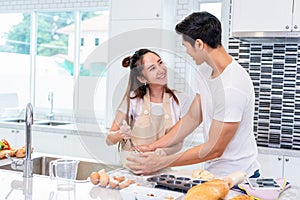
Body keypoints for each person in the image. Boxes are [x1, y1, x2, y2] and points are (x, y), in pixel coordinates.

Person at [127, 12, 260, 178]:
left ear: (199, 44)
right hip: (213, 175)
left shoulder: (232, 87)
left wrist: (163, 161)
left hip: (239, 179)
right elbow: (192, 117)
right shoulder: (205, 70)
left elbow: (215, 148)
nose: (186, 52)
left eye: (185, 46)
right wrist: (153, 146)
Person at [106, 48, 191, 159]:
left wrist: (161, 153)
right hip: (133, 168)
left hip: (162, 170)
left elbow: (178, 142)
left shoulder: (180, 100)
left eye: (160, 63)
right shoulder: (133, 100)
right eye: (152, 68)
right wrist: (120, 133)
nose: (161, 70)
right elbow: (109, 140)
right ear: (142, 78)